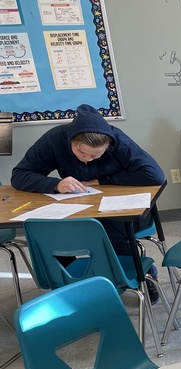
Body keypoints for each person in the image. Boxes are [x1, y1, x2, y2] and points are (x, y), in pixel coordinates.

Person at [11, 103, 165, 301]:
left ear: (108, 146)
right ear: (71, 142)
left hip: (119, 210)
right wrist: (55, 184)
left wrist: (103, 181)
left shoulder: (118, 140)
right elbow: (20, 174)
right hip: (77, 208)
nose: (87, 160)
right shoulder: (55, 139)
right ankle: (72, 278)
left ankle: (140, 275)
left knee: (110, 233)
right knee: (53, 237)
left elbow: (154, 175)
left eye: (96, 155)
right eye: (81, 153)